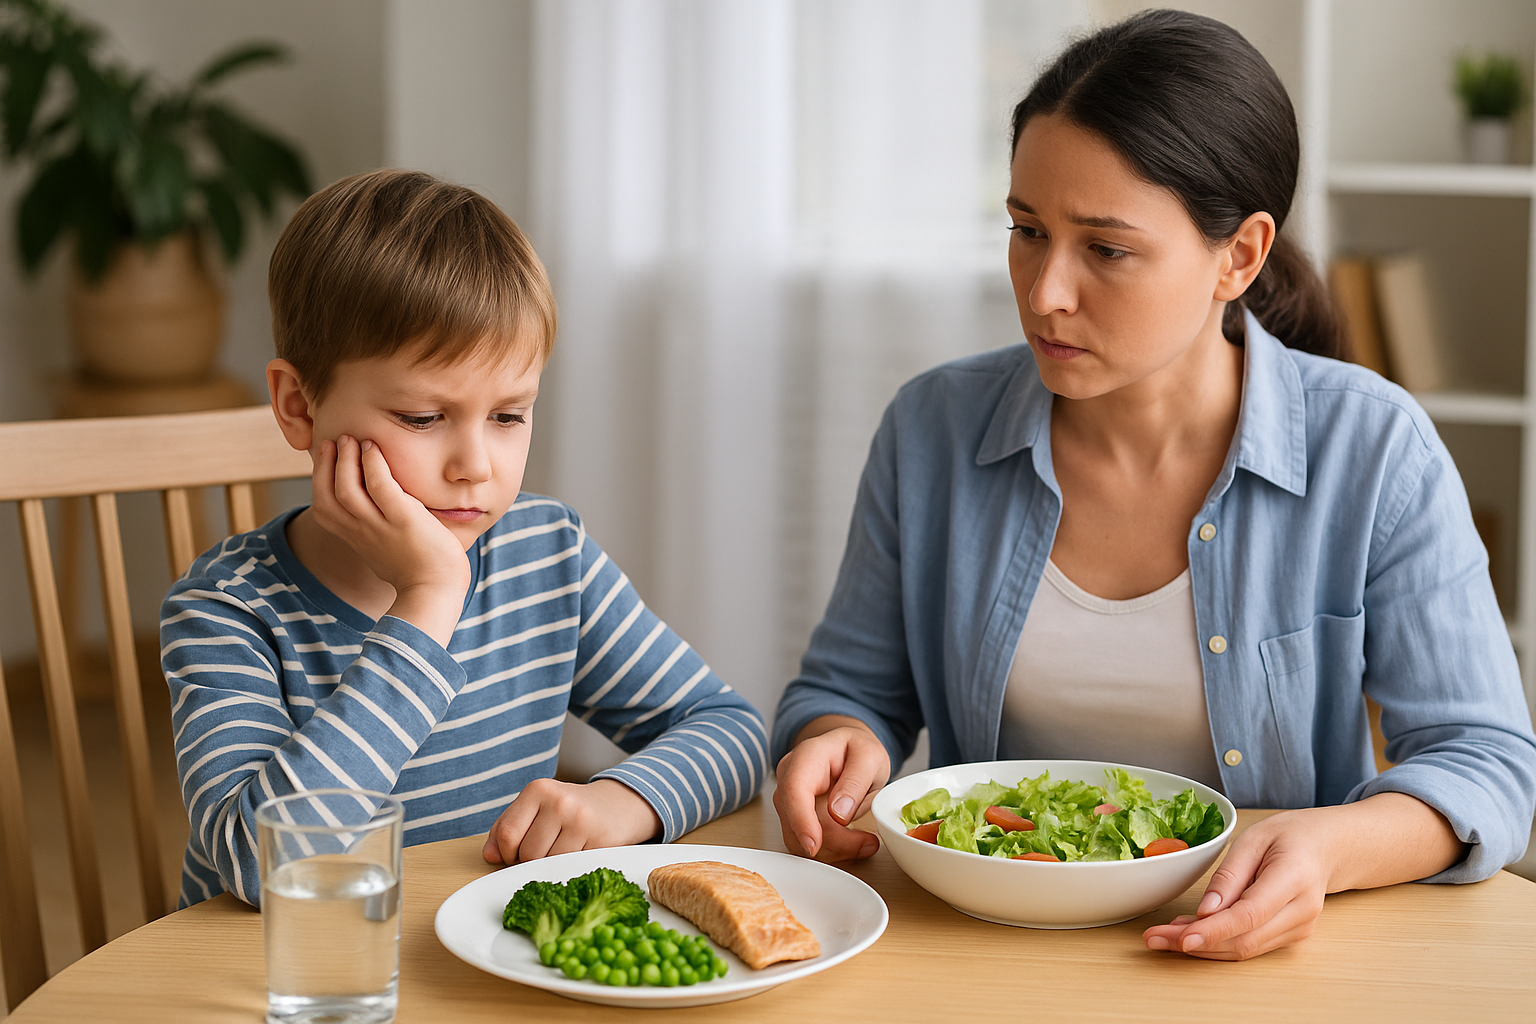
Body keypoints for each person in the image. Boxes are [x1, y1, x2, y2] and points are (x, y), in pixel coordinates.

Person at [770, 9, 1536, 961]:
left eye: (1107, 249)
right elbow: (849, 690)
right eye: (1026, 229)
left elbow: (1487, 765)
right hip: (983, 946)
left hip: (1262, 959)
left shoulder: (1374, 448)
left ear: (1240, 256)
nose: (1046, 290)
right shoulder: (930, 429)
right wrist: (841, 742)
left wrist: (1329, 846)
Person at [162, 169, 768, 908]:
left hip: (472, 971)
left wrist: (624, 799)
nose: (476, 466)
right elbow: (263, 866)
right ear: (299, 406)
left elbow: (730, 729)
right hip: (303, 986)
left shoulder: (546, 555)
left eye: (509, 415)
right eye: (423, 418)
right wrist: (428, 601)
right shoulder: (230, 608)